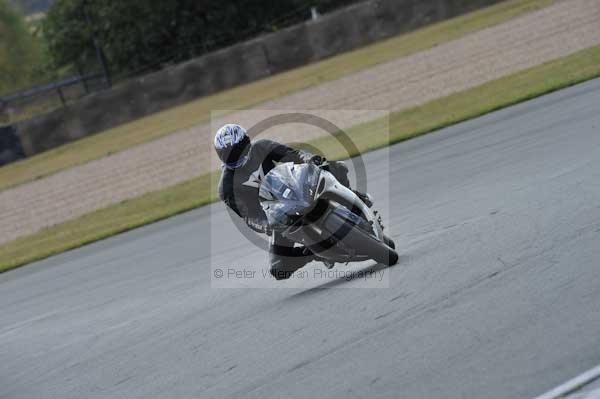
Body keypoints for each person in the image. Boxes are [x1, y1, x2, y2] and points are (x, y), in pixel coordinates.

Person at [214, 123, 372, 280]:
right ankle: (315, 252)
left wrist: (311, 159)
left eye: (239, 148)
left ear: (247, 142)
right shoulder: (226, 187)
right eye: (230, 154)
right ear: (221, 155)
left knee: (335, 167)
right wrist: (266, 225)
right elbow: (248, 215)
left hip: (296, 186)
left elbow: (294, 155)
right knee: (278, 269)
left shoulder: (262, 147)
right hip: (276, 215)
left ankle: (355, 197)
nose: (237, 155)